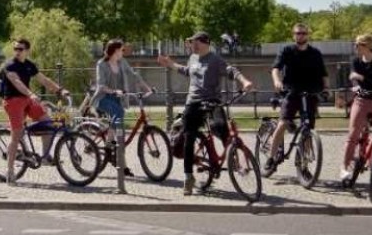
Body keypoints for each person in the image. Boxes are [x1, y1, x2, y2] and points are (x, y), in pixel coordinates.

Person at [157, 32, 254, 195]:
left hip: (212, 100)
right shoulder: (192, 58)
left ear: (205, 43)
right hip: (193, 102)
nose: (192, 45)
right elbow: (187, 71)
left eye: (194, 42)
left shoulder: (215, 59)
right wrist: (170, 64)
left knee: (222, 128)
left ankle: (234, 162)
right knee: (189, 138)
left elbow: (231, 71)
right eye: (191, 42)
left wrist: (244, 81)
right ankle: (188, 178)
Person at [0, 38, 70, 185]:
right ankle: (10, 171)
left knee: (47, 121)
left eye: (20, 49)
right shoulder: (9, 65)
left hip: (26, 99)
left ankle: (45, 156)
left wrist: (59, 90)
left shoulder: (29, 65)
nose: (17, 52)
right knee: (16, 135)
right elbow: (16, 82)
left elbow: (43, 79)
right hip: (13, 101)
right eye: (15, 49)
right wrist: (30, 94)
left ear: (27, 51)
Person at [268, 23, 329, 172]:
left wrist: (326, 89)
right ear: (293, 35)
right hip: (291, 92)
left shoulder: (315, 53)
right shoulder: (287, 51)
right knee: (283, 123)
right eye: (298, 33)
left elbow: (324, 74)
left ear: (308, 35)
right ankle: (271, 157)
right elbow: (276, 68)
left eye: (303, 33)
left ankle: (304, 166)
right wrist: (277, 81)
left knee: (308, 130)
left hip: (310, 94)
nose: (300, 36)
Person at [93, 38, 154, 176]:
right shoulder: (101, 64)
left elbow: (134, 75)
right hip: (103, 98)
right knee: (118, 115)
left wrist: (147, 88)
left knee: (120, 131)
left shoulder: (122, 62)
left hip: (118, 98)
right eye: (122, 50)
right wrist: (114, 91)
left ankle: (123, 165)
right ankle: (109, 146)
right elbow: (101, 85)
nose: (123, 52)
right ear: (115, 51)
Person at [341, 34, 372, 190]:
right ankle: (343, 168)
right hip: (361, 101)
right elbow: (354, 78)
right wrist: (356, 82)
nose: (355, 48)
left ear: (366, 46)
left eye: (357, 45)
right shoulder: (356, 61)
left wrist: (359, 77)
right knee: (353, 135)